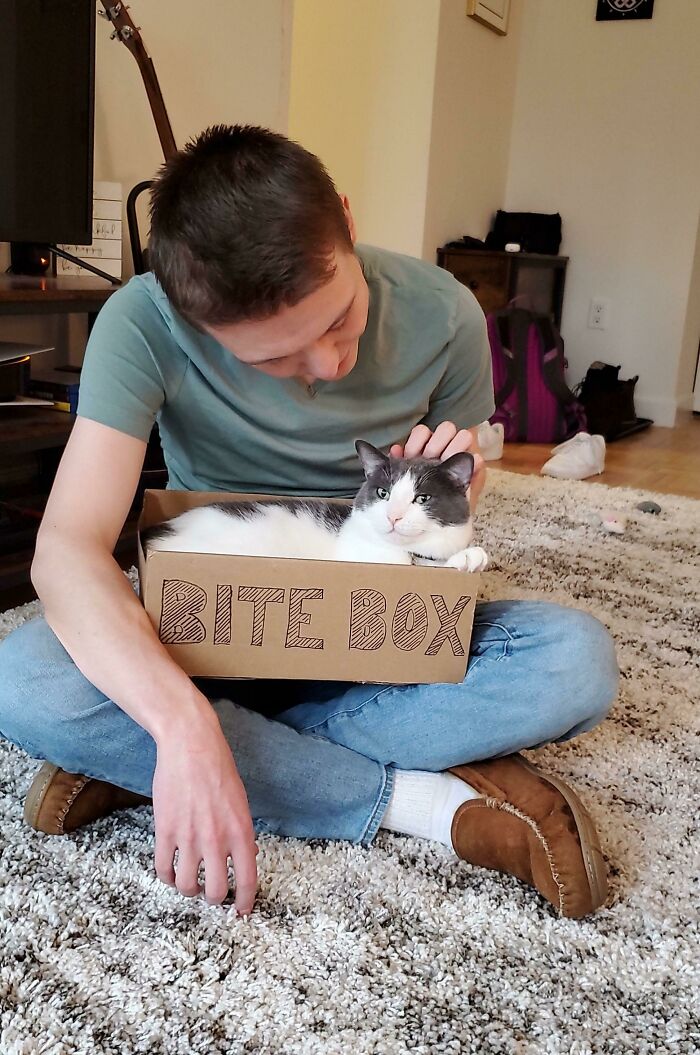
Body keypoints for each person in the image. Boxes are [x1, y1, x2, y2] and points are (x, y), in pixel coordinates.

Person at [0, 126, 618, 920]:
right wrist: (182, 720)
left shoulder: (448, 314)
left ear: (348, 227)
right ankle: (420, 804)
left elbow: (454, 517)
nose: (327, 366)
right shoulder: (140, 322)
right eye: (274, 360)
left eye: (340, 318)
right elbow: (65, 549)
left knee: (575, 662)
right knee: (22, 679)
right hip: (208, 631)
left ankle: (151, 762)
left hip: (375, 624)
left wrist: (463, 472)